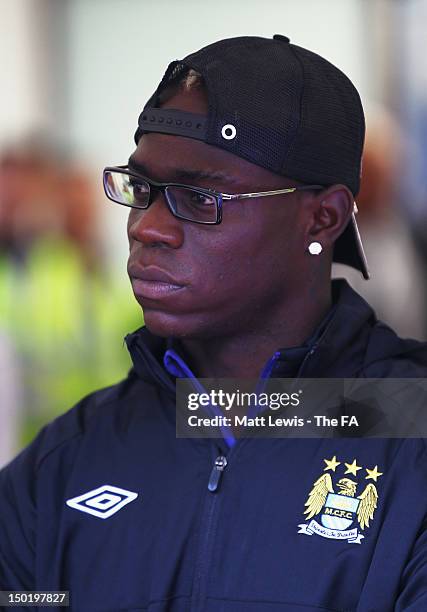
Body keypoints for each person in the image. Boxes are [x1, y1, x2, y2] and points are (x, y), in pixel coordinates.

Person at [1, 34, 427, 612]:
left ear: (322, 217)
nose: (147, 227)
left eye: (201, 198)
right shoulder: (65, 463)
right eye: (143, 189)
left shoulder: (409, 431)